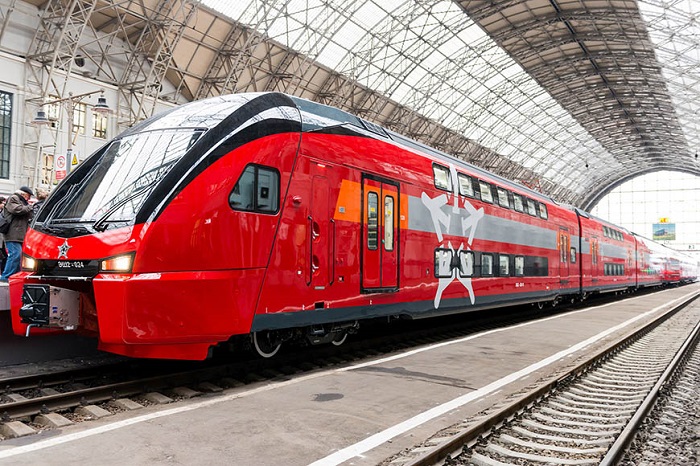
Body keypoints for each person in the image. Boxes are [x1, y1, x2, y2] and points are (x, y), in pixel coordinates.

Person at [0, 187, 34, 282]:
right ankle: (6, 276)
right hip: (13, 233)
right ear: (23, 194)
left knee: (18, 256)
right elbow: (16, 209)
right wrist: (29, 207)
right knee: (15, 255)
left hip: (19, 234)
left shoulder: (23, 202)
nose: (29, 198)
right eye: (28, 196)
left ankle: (15, 276)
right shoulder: (13, 198)